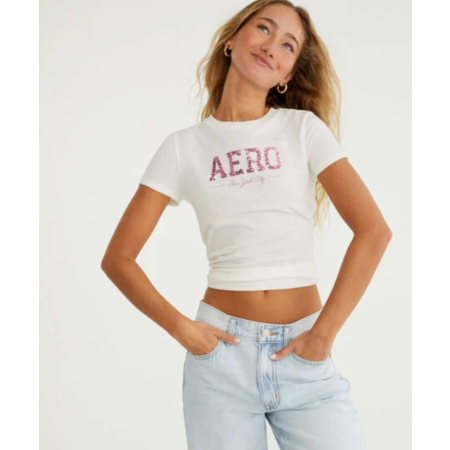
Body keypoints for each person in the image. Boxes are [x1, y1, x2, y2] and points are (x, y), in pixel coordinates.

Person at [101, 1, 392, 448]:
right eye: (264, 28)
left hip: (304, 353)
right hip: (221, 362)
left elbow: (374, 231)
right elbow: (119, 258)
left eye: (288, 45)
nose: (272, 46)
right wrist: (183, 329)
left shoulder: (304, 129)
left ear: (288, 74)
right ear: (231, 40)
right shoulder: (182, 148)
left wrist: (323, 334)